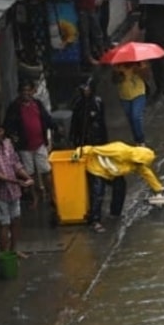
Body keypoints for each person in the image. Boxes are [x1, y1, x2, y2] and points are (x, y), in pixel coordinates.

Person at [3, 81, 58, 213]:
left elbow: (46, 118)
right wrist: (12, 136)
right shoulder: (15, 107)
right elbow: (7, 124)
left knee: (46, 170)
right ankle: (35, 197)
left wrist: (55, 127)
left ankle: (52, 196)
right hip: (24, 146)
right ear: (19, 92)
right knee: (29, 174)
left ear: (32, 91)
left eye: (28, 90)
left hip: (39, 144)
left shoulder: (37, 104)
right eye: (23, 91)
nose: (26, 93)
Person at [0, 124, 34, 260]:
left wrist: (27, 177)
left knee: (16, 220)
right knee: (4, 224)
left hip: (14, 191)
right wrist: (17, 181)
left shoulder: (8, 144)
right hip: (0, 193)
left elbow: (16, 164)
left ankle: (14, 250)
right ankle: (5, 254)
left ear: (3, 131)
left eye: (0, 131)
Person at [70, 77, 111, 233]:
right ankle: (86, 212)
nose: (85, 90)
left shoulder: (98, 103)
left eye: (87, 88)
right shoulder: (78, 104)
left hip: (97, 149)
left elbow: (102, 127)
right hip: (82, 147)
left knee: (97, 185)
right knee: (83, 183)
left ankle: (95, 218)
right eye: (83, 88)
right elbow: (74, 127)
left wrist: (104, 148)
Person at [139, 2, 164, 107]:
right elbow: (141, 25)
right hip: (155, 41)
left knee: (163, 67)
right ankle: (161, 91)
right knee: (158, 67)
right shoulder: (146, 7)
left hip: (161, 41)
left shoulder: (163, 7)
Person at [72, 0, 102, 65]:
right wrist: (79, 8)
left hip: (92, 8)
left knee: (96, 31)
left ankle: (100, 52)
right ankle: (88, 57)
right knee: (85, 34)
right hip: (83, 10)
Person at [114, 60, 150, 144]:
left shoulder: (140, 63)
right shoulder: (118, 66)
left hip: (138, 94)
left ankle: (141, 140)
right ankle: (136, 139)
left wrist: (141, 70)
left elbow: (147, 77)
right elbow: (115, 81)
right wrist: (118, 75)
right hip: (124, 96)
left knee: (136, 117)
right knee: (130, 119)